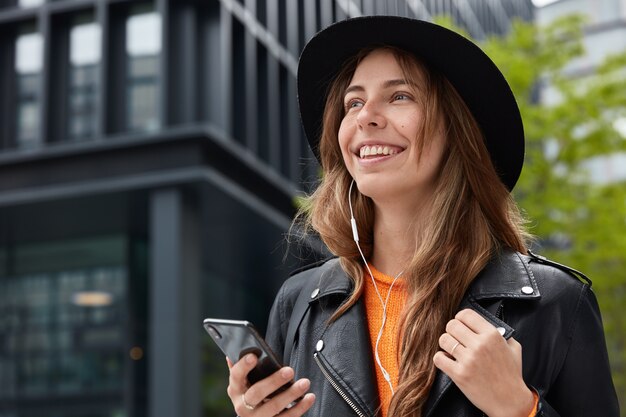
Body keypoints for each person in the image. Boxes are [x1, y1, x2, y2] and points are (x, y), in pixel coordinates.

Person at [226, 16, 620, 417]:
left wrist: (520, 409)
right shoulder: (300, 305)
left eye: (399, 96)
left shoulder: (555, 303)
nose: (365, 117)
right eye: (354, 102)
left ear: (456, 129)